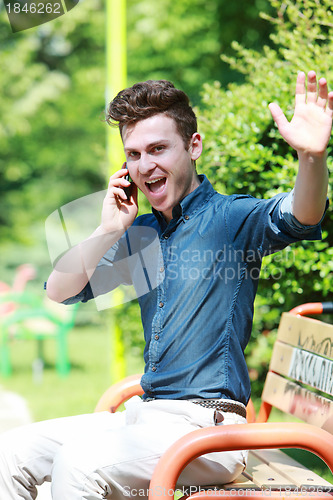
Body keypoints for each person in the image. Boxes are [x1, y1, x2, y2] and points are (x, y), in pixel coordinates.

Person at [0, 72, 331, 499]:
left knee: (79, 464)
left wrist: (311, 158)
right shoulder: (138, 235)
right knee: (10, 452)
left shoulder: (231, 220)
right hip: (144, 418)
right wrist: (107, 230)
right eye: (133, 154)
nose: (144, 165)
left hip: (208, 431)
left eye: (158, 148)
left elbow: (300, 214)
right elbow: (59, 291)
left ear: (193, 147)